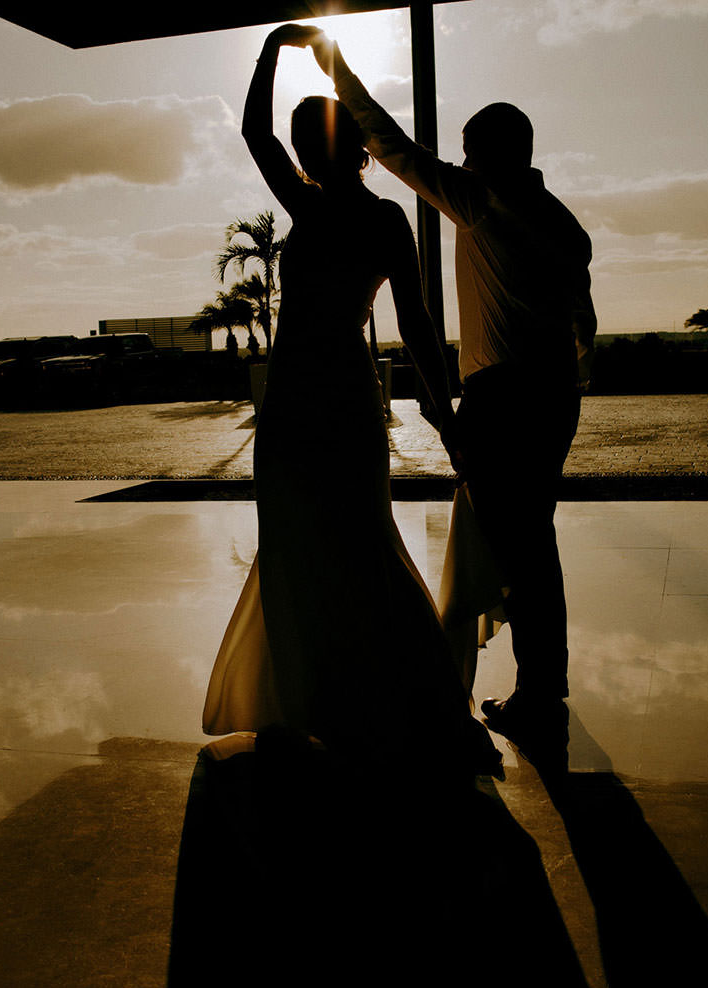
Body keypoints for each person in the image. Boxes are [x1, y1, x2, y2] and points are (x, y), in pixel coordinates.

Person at [201, 24, 500, 782]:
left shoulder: (327, 213)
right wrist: (442, 409)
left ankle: (349, 700)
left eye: (310, 140)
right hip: (319, 398)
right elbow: (422, 331)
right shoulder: (369, 218)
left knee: (334, 545)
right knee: (326, 545)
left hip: (312, 396)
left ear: (334, 149)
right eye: (301, 143)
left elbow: (421, 329)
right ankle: (337, 700)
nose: (301, 154)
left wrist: (274, 50)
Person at [312, 33, 597, 763]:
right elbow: (584, 320)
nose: (462, 162)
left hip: (502, 398)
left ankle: (539, 695)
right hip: (556, 395)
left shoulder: (481, 201)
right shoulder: (567, 225)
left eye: (470, 150)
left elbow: (391, 143)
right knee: (536, 543)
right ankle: (544, 687)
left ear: (496, 152)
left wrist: (337, 72)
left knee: (522, 550)